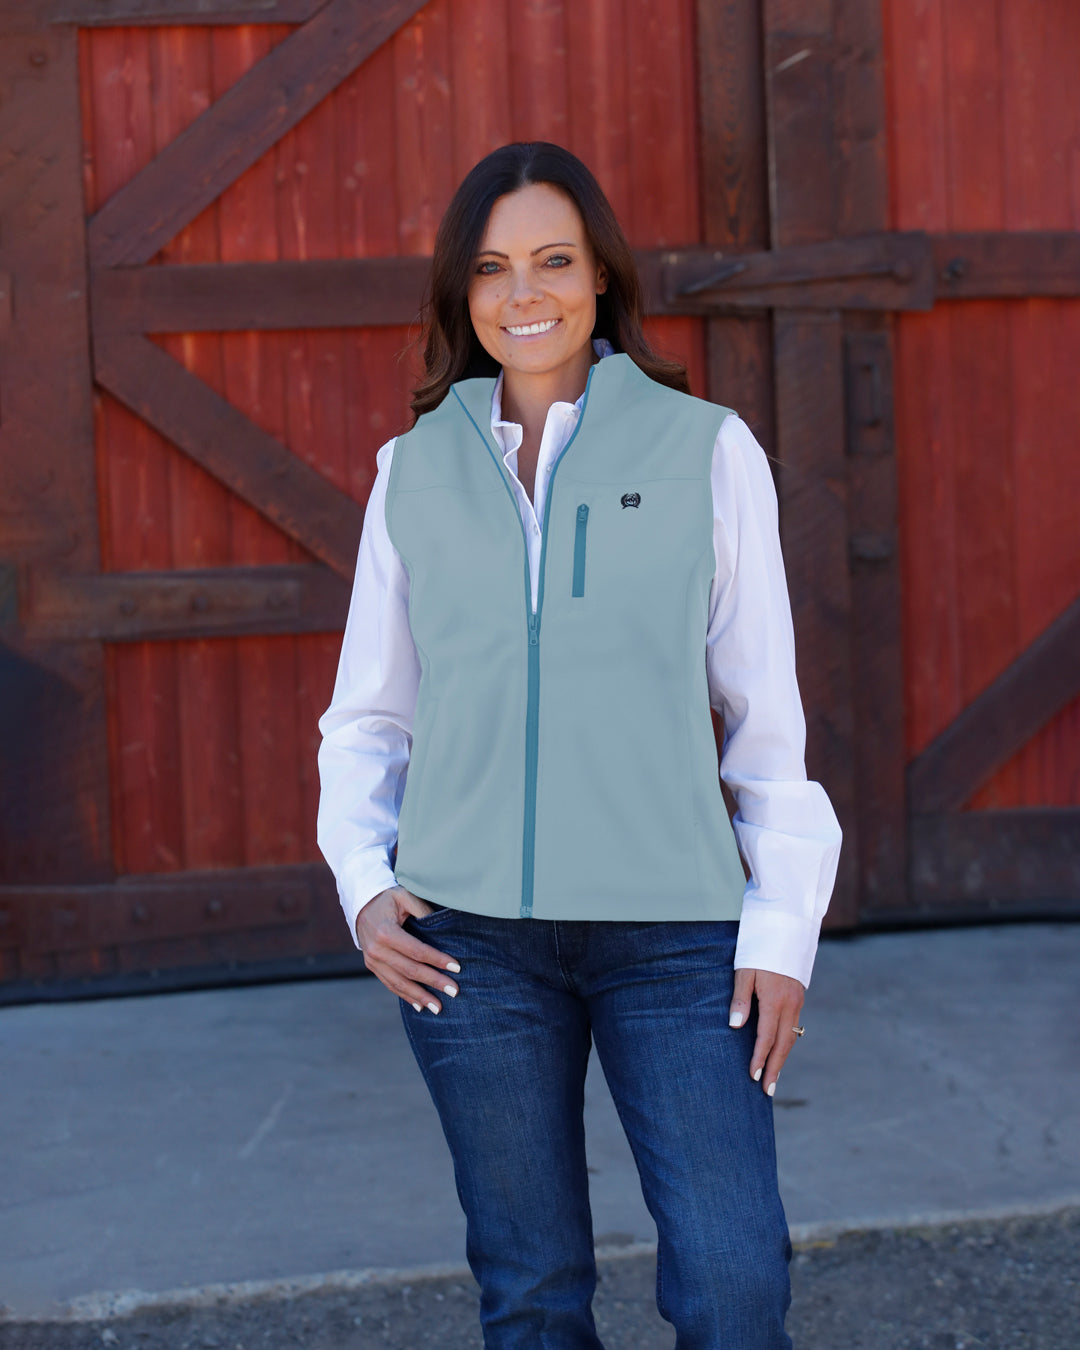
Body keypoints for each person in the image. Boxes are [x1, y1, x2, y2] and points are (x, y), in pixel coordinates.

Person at [317, 141, 842, 1350]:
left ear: (603, 276)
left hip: (677, 938)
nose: (525, 293)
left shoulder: (708, 451)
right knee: (532, 1291)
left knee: (732, 1283)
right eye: (494, 268)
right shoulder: (411, 474)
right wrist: (366, 888)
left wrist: (782, 932)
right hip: (472, 949)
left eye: (554, 260)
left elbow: (768, 726)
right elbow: (368, 721)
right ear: (464, 294)